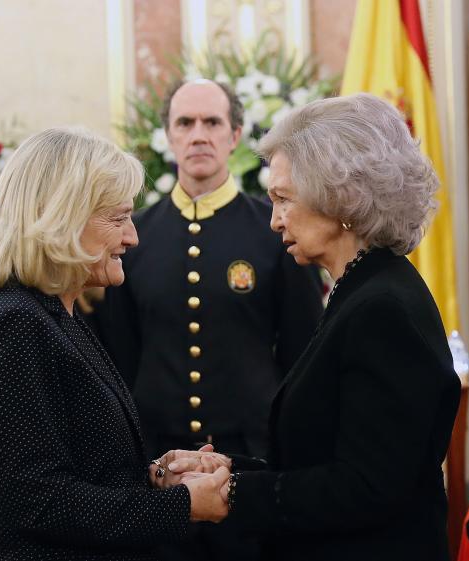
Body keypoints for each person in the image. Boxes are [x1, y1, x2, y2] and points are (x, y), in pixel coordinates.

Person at [176, 93, 461, 561]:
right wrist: (227, 470)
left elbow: (367, 487)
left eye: (283, 199)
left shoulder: (381, 307)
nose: (273, 221)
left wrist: (232, 496)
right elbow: (323, 455)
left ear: (339, 195)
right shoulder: (362, 289)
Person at [0, 127, 231, 561]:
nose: (132, 237)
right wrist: (183, 505)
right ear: (60, 218)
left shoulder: (53, 315)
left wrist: (157, 474)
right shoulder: (12, 326)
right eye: (116, 219)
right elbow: (39, 503)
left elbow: (78, 466)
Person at [94, 78, 324, 560]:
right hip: (158, 465)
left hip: (249, 462)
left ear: (235, 135)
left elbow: (304, 355)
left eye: (212, 122)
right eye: (185, 123)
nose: (199, 134)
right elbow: (117, 354)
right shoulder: (135, 238)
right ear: (168, 136)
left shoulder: (274, 232)